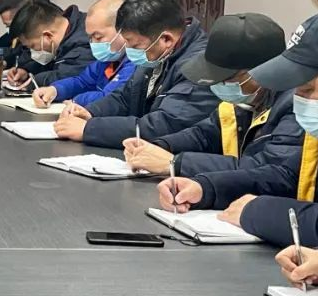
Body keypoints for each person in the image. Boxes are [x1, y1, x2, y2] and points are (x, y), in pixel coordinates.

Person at [160, 9, 318, 248]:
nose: (297, 98)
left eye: (306, 89)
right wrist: (206, 188)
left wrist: (256, 211)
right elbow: (285, 177)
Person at [124, 12, 302, 176]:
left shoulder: (295, 106)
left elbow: (265, 168)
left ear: (264, 70)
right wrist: (159, 146)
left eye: (227, 79)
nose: (219, 85)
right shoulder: (241, 103)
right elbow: (203, 135)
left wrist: (175, 163)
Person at [53, 0, 216, 147]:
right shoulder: (156, 51)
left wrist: (89, 129)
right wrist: (91, 112)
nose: (129, 51)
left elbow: (164, 125)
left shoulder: (200, 66)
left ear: (166, 39)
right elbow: (125, 97)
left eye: (135, 46)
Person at [32, 0, 134, 108]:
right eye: (90, 37)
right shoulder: (107, 61)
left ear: (123, 29)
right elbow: (82, 82)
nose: (93, 43)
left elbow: (109, 98)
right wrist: (55, 90)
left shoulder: (135, 63)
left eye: (98, 37)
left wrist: (77, 100)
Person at [2, 0, 93, 87]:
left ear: (48, 36)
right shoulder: (66, 31)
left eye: (32, 46)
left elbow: (67, 78)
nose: (32, 52)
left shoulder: (85, 42)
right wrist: (26, 72)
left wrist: (34, 81)